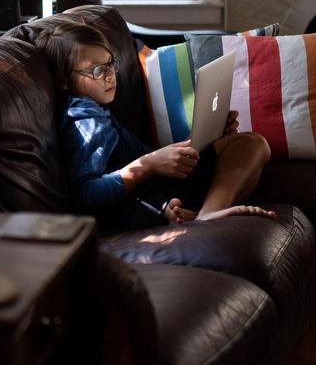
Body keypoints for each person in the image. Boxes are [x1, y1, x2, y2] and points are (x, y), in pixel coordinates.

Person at [36, 19, 275, 230]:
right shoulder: (85, 122)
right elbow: (85, 195)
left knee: (246, 149)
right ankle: (209, 214)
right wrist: (149, 164)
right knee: (252, 145)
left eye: (110, 64)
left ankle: (200, 211)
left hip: (157, 190)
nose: (110, 75)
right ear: (64, 80)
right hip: (142, 200)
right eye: (97, 70)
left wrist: (210, 137)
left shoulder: (94, 109)